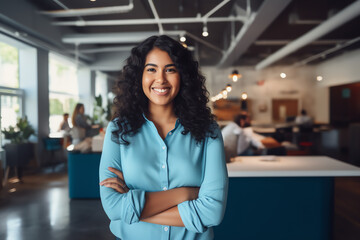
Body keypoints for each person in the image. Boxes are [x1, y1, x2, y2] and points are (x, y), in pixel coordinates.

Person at [99, 35, 228, 240]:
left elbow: (211, 212)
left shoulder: (208, 131)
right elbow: (113, 209)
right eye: (151, 69)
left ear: (182, 75)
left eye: (170, 69)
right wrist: (185, 194)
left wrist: (132, 210)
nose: (160, 79)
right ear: (139, 76)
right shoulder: (118, 130)